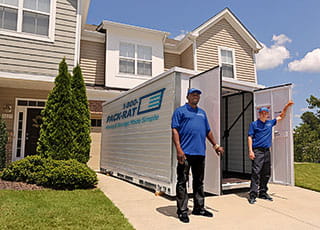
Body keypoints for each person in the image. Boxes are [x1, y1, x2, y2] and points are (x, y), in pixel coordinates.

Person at [171, 88, 224, 223]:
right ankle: (182, 210)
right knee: (182, 181)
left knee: (199, 182)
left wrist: (215, 145)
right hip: (185, 153)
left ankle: (199, 208)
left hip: (200, 153)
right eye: (193, 94)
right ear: (188, 96)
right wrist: (178, 149)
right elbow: (175, 130)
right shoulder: (180, 111)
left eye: (198, 95)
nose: (196, 96)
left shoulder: (202, 113)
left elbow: (208, 131)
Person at [248, 101, 294, 204]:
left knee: (266, 173)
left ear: (268, 114)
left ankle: (263, 193)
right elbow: (250, 137)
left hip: (267, 151)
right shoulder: (254, 124)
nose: (264, 114)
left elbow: (281, 116)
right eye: (262, 113)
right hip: (257, 151)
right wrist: (250, 151)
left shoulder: (270, 123)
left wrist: (286, 106)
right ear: (259, 114)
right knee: (256, 173)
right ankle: (252, 195)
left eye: (265, 113)